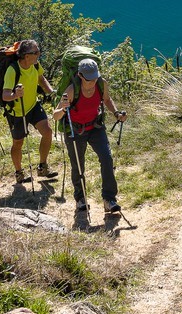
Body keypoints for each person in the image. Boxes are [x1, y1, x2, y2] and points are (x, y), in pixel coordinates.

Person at [51, 57, 126, 215]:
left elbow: (107, 99)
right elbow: (55, 116)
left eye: (95, 77)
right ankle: (81, 198)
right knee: (78, 166)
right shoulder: (71, 90)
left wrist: (116, 113)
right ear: (80, 75)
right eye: (89, 79)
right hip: (75, 131)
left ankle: (109, 199)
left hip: (95, 127)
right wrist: (63, 109)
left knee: (107, 158)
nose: (92, 81)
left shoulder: (101, 83)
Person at [2, 38, 58, 184]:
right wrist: (15, 95)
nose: (39, 53)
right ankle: (19, 173)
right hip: (17, 112)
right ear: (26, 56)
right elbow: (5, 95)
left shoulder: (35, 64)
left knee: (47, 132)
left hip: (33, 106)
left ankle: (43, 167)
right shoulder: (12, 70)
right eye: (36, 52)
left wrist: (50, 91)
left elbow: (41, 78)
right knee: (18, 143)